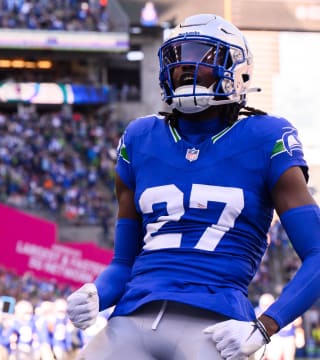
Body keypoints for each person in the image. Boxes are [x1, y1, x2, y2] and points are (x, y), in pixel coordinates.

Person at [66, 13, 320, 360]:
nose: (185, 65)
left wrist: (265, 327)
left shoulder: (266, 137)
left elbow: (318, 254)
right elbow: (124, 262)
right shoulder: (140, 138)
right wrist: (98, 293)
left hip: (215, 322)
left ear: (238, 70)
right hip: (132, 316)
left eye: (202, 54)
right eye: (177, 56)